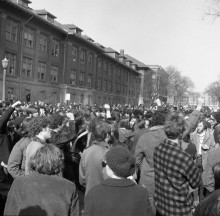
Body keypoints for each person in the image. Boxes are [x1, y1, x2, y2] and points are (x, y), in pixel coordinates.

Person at [135, 99, 203, 214]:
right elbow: (189, 124)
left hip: (149, 184)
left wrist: (147, 170)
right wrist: (198, 107)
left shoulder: (144, 138)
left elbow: (138, 160)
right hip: (171, 190)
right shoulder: (173, 134)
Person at [4, 144, 79, 216]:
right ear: (59, 162)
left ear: (35, 160)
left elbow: (10, 212)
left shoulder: (19, 183)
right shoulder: (69, 186)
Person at [153, 112, 203, 216]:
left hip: (161, 206)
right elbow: (196, 183)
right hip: (179, 210)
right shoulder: (184, 158)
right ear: (181, 133)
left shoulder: (158, 149)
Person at [83, 146, 153, 216]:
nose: (104, 166)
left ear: (110, 168)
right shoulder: (142, 192)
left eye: (105, 164)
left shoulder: (94, 193)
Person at [79, 119, 111, 195]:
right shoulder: (109, 152)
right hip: (105, 195)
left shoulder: (86, 151)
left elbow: (82, 179)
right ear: (107, 136)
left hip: (90, 194)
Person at [0, 100, 21, 215]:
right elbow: (3, 120)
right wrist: (12, 107)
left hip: (10, 164)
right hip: (2, 166)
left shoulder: (12, 132)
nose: (10, 121)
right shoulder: (1, 132)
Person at [190, 119, 216, 199]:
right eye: (197, 126)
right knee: (194, 179)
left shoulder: (210, 135)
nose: (198, 127)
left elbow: (213, 147)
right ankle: (195, 199)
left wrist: (208, 147)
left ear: (204, 127)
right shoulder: (192, 135)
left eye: (200, 126)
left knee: (204, 180)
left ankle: (202, 199)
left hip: (205, 159)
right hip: (196, 158)